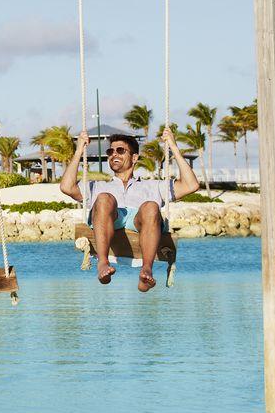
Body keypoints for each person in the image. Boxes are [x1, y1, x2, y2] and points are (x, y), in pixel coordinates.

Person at [60, 125, 198, 292]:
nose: (114, 154)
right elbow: (67, 187)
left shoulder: (153, 186)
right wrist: (78, 151)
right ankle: (103, 263)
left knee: (151, 206)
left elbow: (191, 185)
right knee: (104, 198)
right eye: (110, 152)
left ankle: (146, 270)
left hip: (140, 221)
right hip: (109, 216)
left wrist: (174, 148)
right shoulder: (97, 186)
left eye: (120, 150)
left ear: (134, 158)